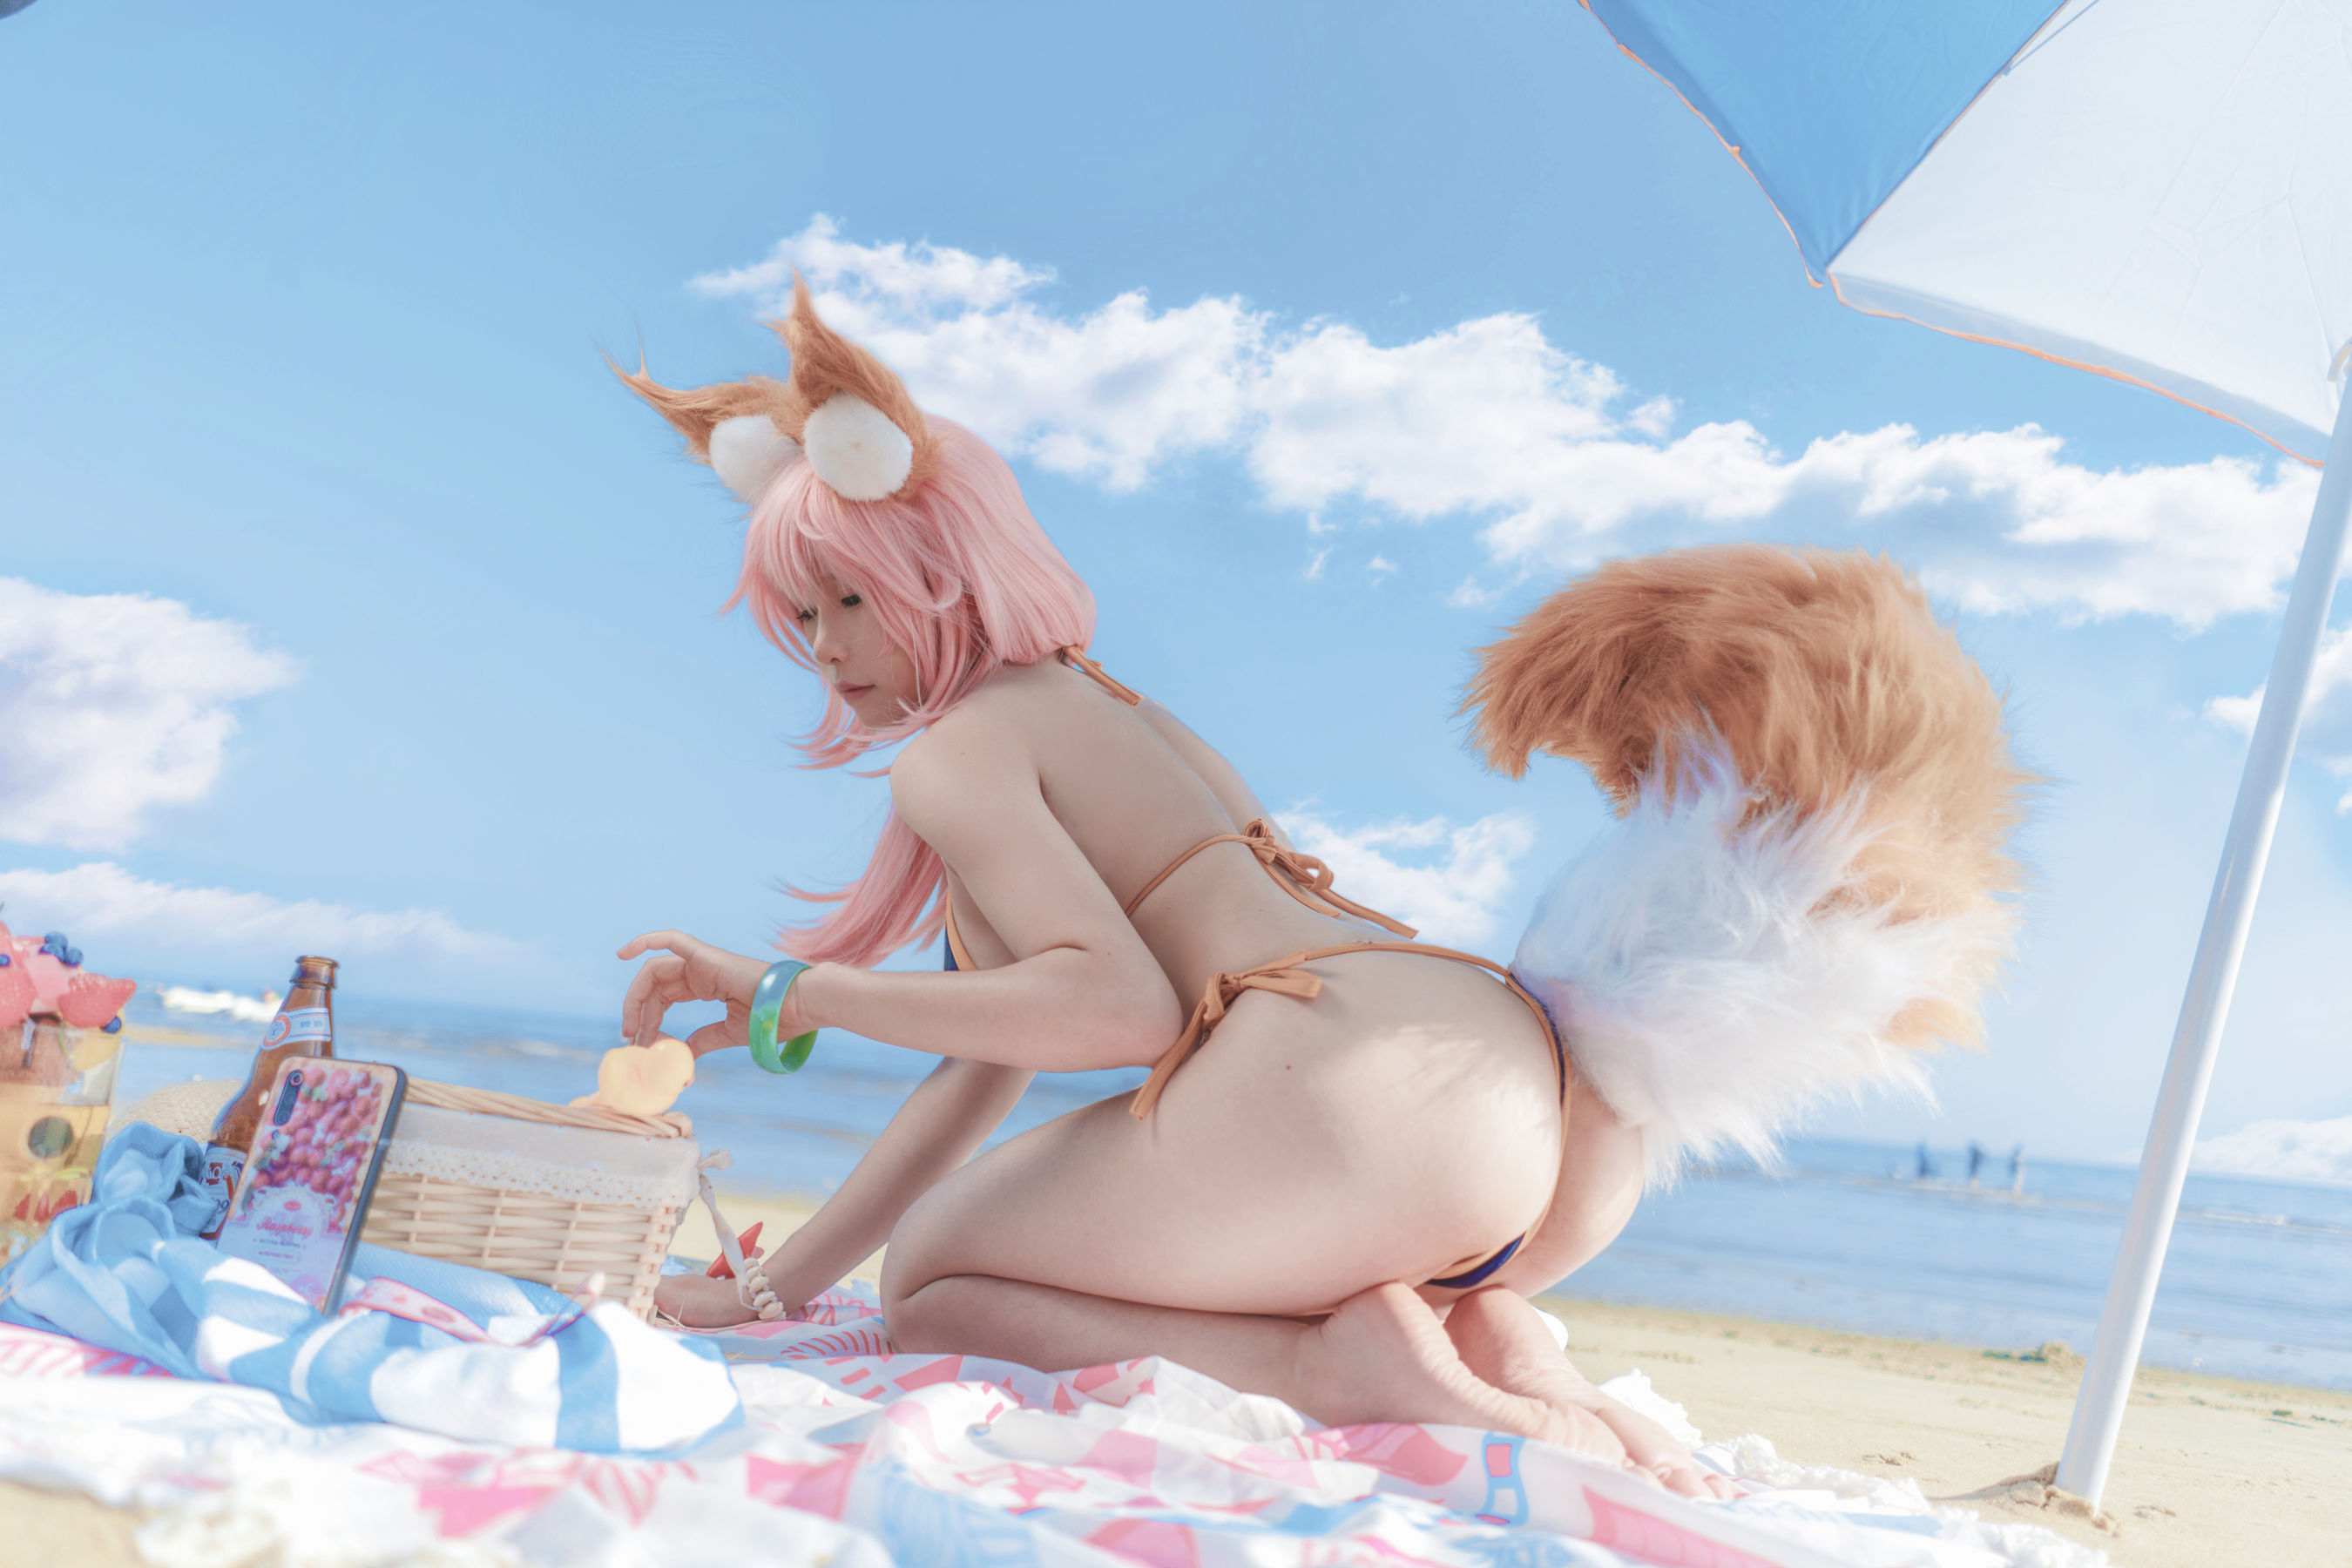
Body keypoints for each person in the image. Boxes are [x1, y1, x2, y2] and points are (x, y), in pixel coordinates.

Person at [610, 280, 2028, 1501]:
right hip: (1525, 1103)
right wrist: (773, 1288)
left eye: (853, 599)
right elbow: (985, 1067)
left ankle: (1329, 1365)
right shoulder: (1115, 710)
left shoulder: (960, 752)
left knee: (932, 1290)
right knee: (993, 1250)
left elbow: (1117, 1010)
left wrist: (791, 992)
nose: (827, 647)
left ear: (948, 567)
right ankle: (1480, 1331)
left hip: (1344, 1098)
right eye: (805, 614)